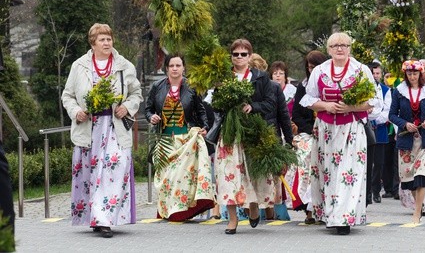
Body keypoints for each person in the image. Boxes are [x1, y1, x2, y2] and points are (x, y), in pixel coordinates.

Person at [62, 23, 143, 238]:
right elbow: (67, 95)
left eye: (109, 39)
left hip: (115, 127)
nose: (107, 43)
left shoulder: (124, 65)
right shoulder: (79, 66)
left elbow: (136, 93)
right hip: (89, 128)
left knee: (114, 167)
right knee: (91, 173)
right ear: (93, 43)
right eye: (102, 39)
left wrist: (127, 107)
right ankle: (97, 218)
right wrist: (77, 111)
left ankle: (104, 218)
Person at [300, 32, 376, 235]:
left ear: (350, 48)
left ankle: (344, 218)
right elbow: (308, 99)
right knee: (328, 172)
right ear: (329, 50)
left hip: (351, 128)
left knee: (348, 173)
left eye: (343, 45)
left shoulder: (361, 70)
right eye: (335, 46)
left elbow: (375, 100)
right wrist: (326, 105)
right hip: (325, 128)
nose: (339, 49)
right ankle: (329, 214)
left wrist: (351, 107)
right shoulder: (320, 70)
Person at [215, 39, 277, 235]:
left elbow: (270, 103)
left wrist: (253, 107)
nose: (239, 57)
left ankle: (253, 206)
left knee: (253, 174)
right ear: (231, 56)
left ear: (250, 57)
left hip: (253, 131)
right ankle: (232, 219)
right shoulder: (224, 78)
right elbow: (214, 104)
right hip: (229, 133)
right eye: (235, 54)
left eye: (243, 54)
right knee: (228, 176)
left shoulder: (261, 78)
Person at [145, 53, 215, 221]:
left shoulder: (192, 87)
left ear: (184, 68)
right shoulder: (157, 86)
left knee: (182, 179)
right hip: (165, 140)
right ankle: (165, 211)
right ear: (167, 68)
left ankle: (181, 212)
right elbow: (148, 109)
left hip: (186, 141)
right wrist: (151, 117)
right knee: (166, 179)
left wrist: (205, 127)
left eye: (178, 65)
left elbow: (201, 111)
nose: (175, 69)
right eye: (171, 66)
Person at [388, 60, 425, 224]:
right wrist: (404, 124)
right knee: (409, 179)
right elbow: (392, 115)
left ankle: (416, 212)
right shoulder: (399, 91)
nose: (412, 76)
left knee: (422, 175)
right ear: (405, 74)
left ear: (421, 74)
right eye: (409, 73)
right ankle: (419, 205)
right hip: (406, 139)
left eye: (415, 73)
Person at [286, 50, 328, 224]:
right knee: (306, 165)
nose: (312, 71)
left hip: (328, 131)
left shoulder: (329, 85)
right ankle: (308, 210)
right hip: (309, 133)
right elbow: (296, 115)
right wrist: (311, 129)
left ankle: (325, 209)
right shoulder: (302, 87)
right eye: (310, 67)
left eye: (315, 67)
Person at [249, 53, 292, 221]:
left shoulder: (273, 87)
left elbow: (283, 115)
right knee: (261, 177)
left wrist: (288, 141)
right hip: (256, 136)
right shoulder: (244, 86)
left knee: (270, 178)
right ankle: (264, 214)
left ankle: (269, 214)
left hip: (270, 136)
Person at [367, 61, 392, 204]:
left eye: (377, 73)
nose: (375, 76)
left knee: (378, 162)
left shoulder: (385, 90)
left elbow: (387, 110)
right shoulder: (362, 88)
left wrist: (376, 121)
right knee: (365, 161)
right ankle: (366, 190)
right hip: (364, 125)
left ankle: (376, 190)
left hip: (379, 128)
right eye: (372, 73)